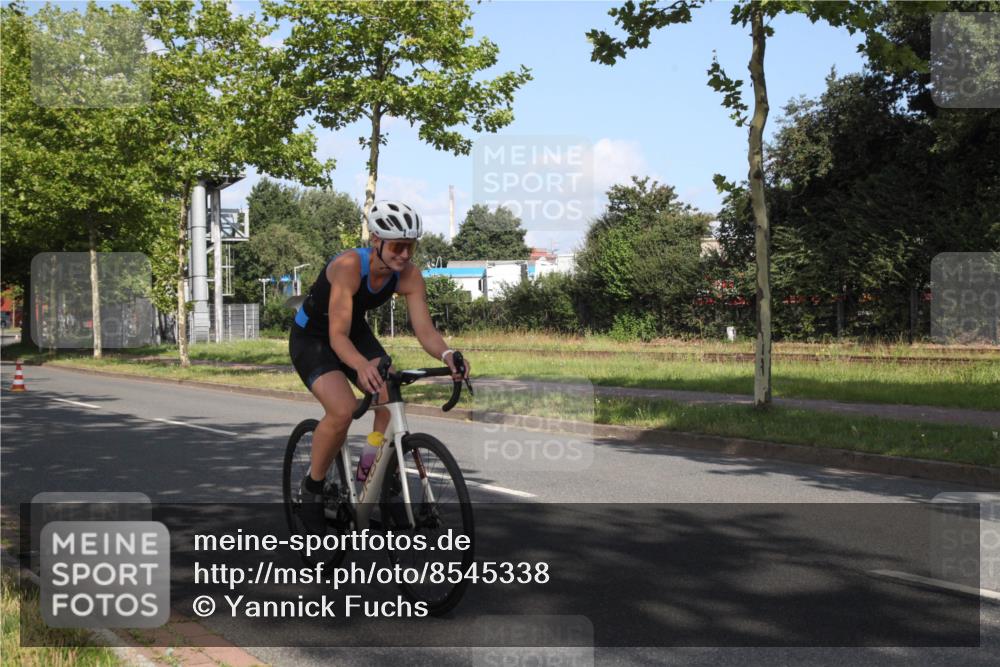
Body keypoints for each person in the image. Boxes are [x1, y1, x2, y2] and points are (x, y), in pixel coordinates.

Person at [288, 200, 470, 534]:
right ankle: (312, 488)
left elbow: (425, 330)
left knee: (388, 399)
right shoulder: (347, 266)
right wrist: (359, 365)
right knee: (342, 410)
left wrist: (447, 355)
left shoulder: (410, 276)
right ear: (376, 240)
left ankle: (371, 474)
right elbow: (337, 336)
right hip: (313, 337)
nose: (404, 255)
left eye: (410, 248)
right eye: (398, 246)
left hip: (352, 331)